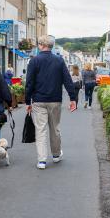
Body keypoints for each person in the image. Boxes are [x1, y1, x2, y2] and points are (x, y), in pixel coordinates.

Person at [25, 36, 77, 170]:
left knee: (40, 130)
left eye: (38, 44)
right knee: (55, 128)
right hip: (55, 100)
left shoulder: (34, 61)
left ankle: (42, 160)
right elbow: (67, 80)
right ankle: (55, 155)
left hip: (38, 101)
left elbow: (29, 83)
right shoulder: (59, 61)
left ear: (41, 45)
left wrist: (27, 101)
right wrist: (73, 98)